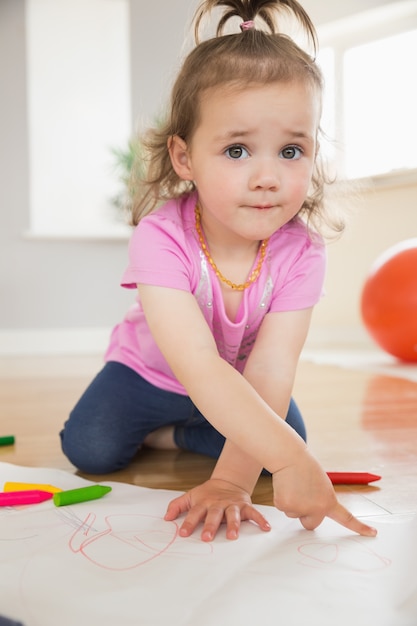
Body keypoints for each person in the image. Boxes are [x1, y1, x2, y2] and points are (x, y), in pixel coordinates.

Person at [60, 0, 377, 542]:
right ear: (185, 158)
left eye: (291, 150)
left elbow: (273, 368)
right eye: (236, 150)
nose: (267, 176)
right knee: (90, 448)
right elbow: (200, 365)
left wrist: (233, 481)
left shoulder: (303, 251)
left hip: (240, 380)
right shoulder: (160, 237)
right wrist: (286, 463)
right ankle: (172, 429)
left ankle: (194, 430)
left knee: (290, 434)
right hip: (153, 374)